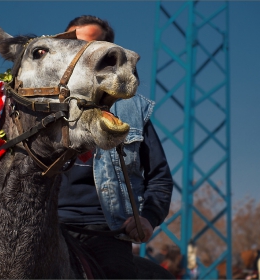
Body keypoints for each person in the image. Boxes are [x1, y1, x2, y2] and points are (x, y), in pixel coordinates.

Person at [58, 15, 174, 279]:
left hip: (106, 229)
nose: (81, 52)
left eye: (92, 46)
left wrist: (148, 218)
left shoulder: (132, 109)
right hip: (46, 223)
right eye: (74, 44)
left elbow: (160, 178)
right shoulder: (43, 101)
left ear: (108, 55)